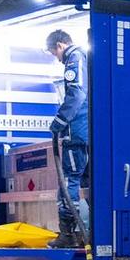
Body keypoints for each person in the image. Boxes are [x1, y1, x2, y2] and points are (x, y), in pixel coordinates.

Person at [44, 29, 91, 246]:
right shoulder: (85, 57)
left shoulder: (74, 57)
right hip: (86, 133)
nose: (56, 57)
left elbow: (77, 93)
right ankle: (85, 231)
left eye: (54, 53)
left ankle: (68, 234)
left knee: (68, 181)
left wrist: (60, 121)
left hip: (77, 133)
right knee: (86, 181)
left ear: (60, 45)